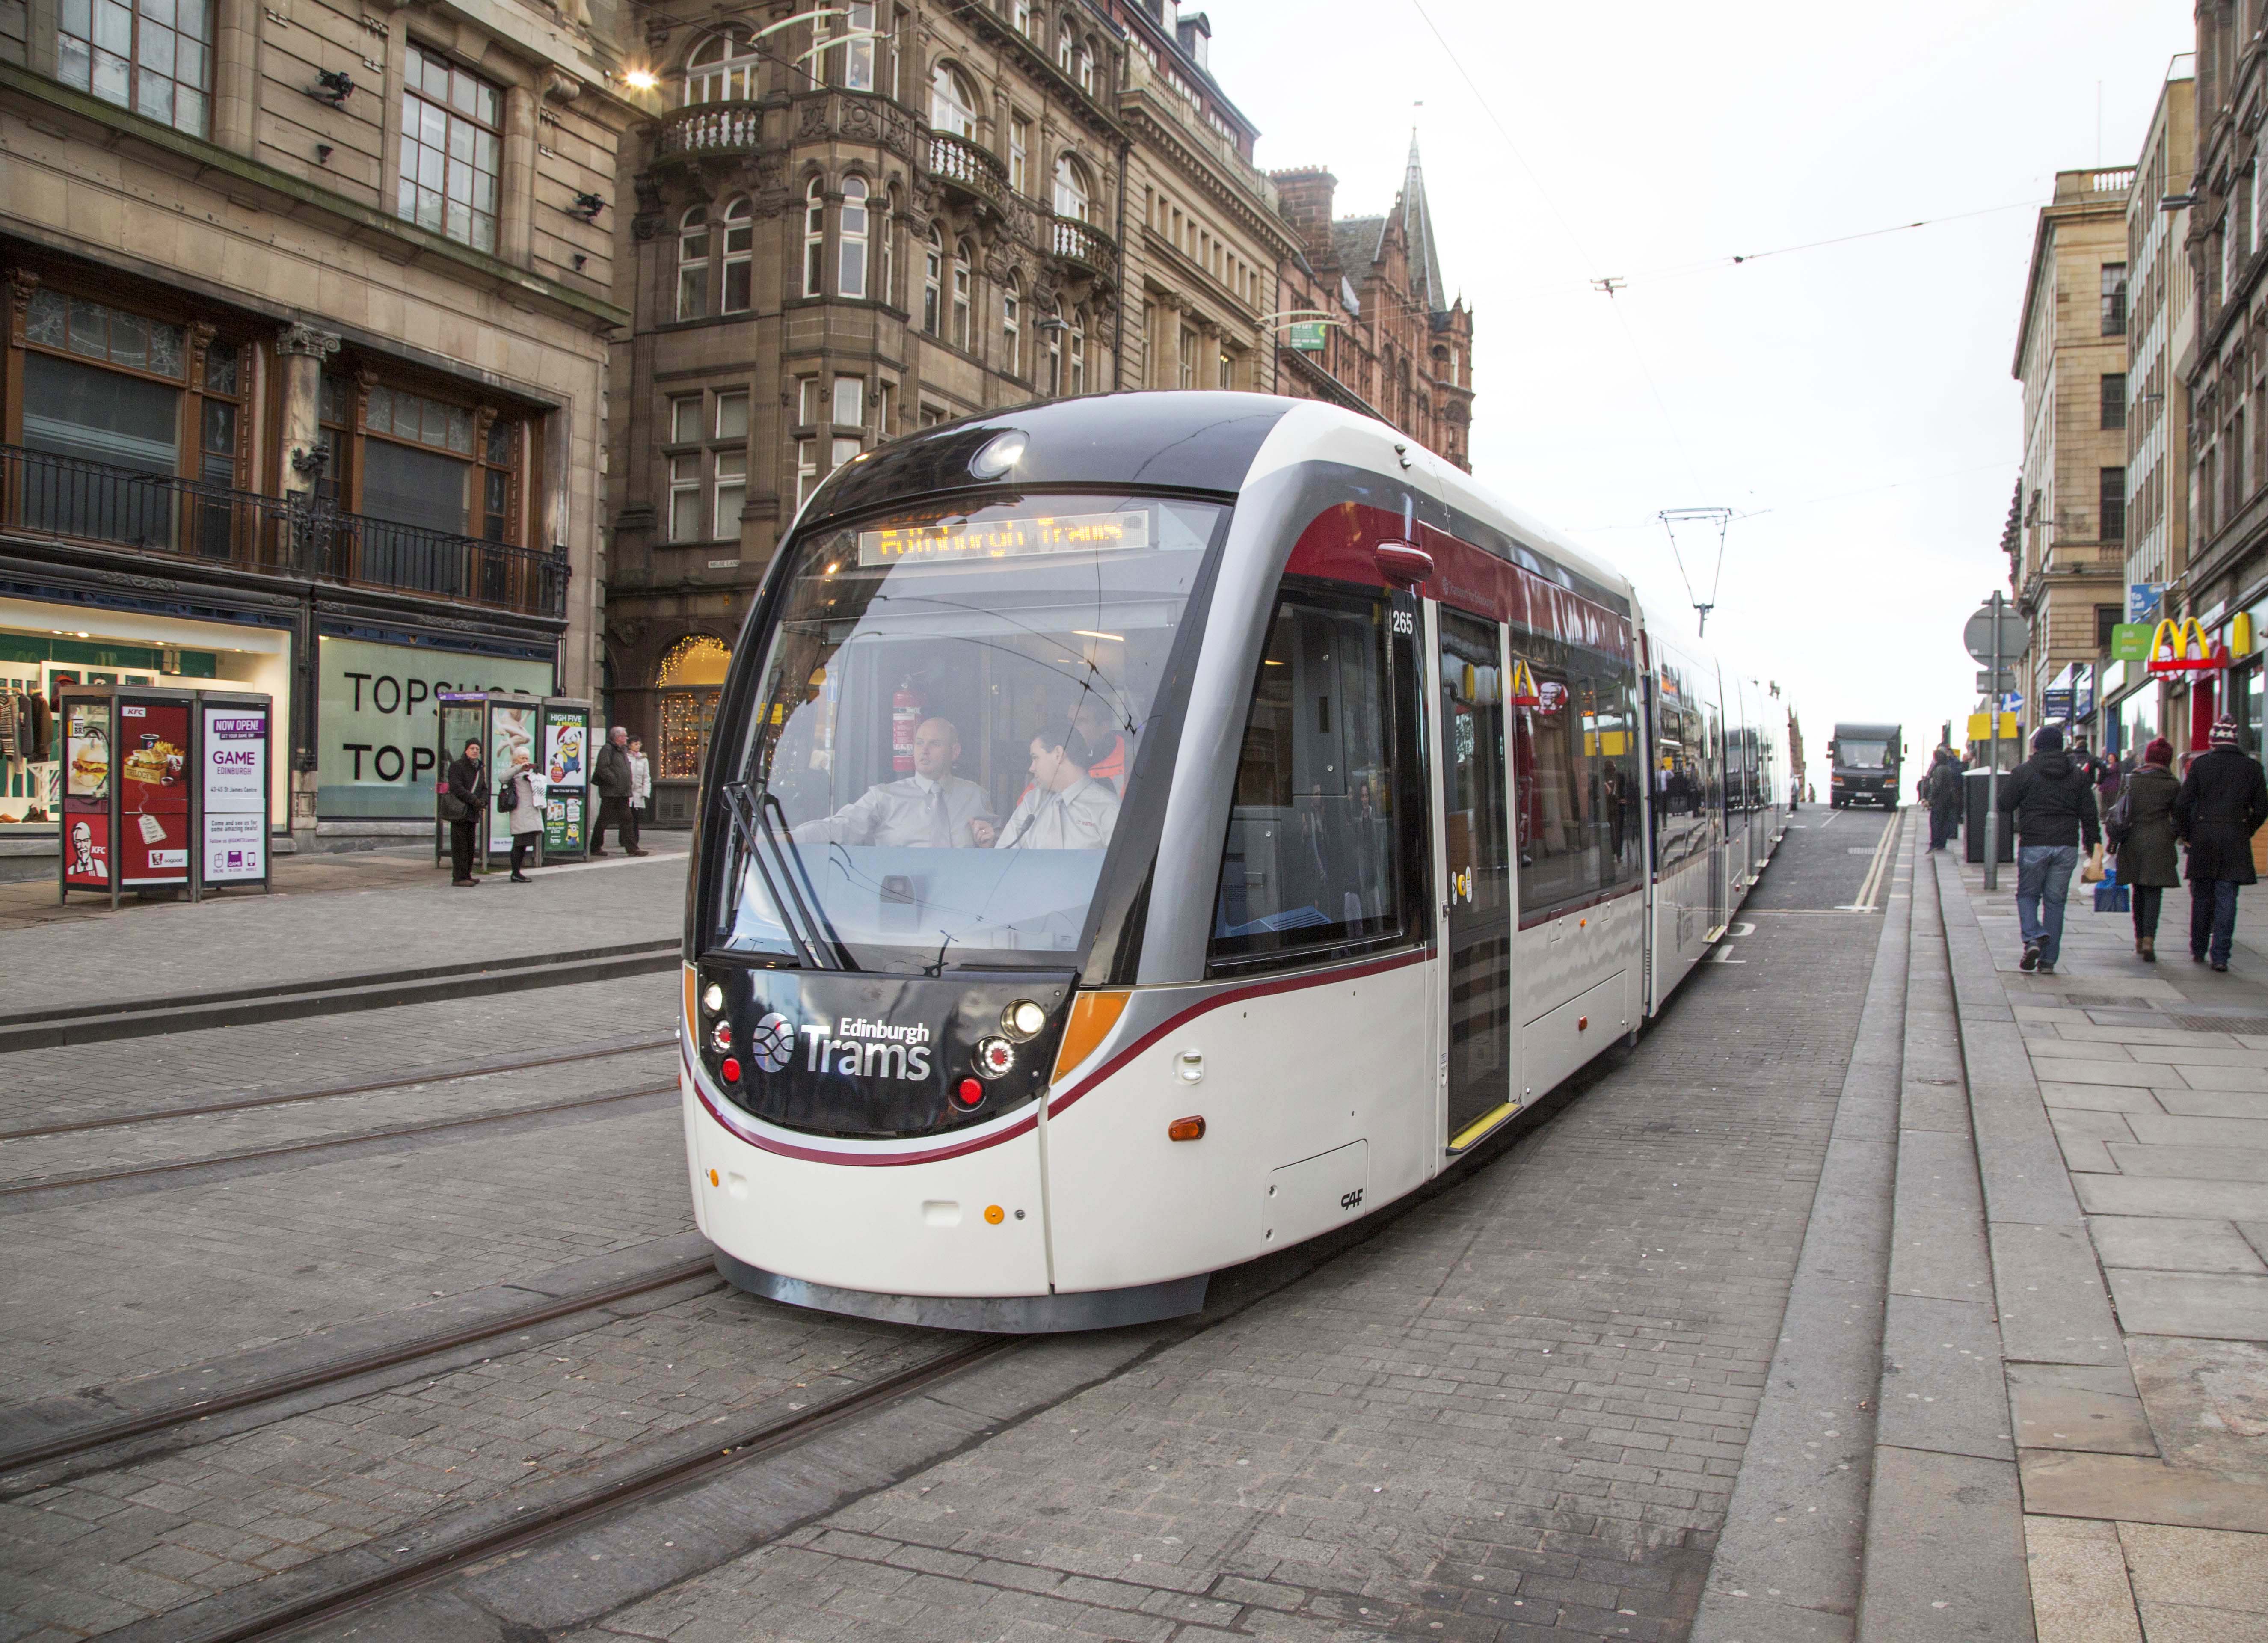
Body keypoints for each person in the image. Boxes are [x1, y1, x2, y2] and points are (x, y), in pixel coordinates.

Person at [795, 717, 996, 846]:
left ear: (955, 752)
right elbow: (842, 827)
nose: (924, 751)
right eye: (919, 743)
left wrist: (990, 843)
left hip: (963, 900)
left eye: (935, 744)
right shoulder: (884, 797)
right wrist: (791, 839)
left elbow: (1002, 846)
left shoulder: (976, 796)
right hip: (902, 899)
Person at [1998, 723, 2099, 976]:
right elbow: (2089, 814)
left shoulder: (2024, 772)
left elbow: (2004, 804)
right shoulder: (2078, 776)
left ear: (2037, 747)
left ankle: (2032, 938)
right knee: (2056, 902)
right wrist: (2093, 844)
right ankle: (2048, 961)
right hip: (2066, 845)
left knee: (2027, 895)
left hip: (2034, 842)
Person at [2173, 717, 2268, 971]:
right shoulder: (2252, 768)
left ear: (2213, 742)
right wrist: (2245, 830)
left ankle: (2198, 947)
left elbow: (2182, 805)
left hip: (2203, 837)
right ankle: (2221, 956)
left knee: (2202, 895)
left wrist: (2188, 834)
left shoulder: (2201, 766)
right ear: (2235, 741)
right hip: (2235, 836)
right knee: (2227, 897)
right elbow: (2262, 809)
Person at [980, 725, 1119, 850]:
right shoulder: (1032, 802)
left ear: (1058, 754)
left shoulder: (1109, 808)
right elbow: (1005, 856)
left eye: (1036, 758)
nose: (1031, 768)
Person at [2111, 737, 2180, 962]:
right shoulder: (2173, 784)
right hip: (2160, 841)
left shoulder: (2131, 781)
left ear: (2148, 757)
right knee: (2154, 892)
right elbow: (2180, 817)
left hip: (2133, 840)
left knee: (2138, 890)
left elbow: (2120, 812)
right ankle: (2150, 937)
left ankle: (2139, 938)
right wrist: (2173, 835)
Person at [591, 726, 644, 857]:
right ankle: (595, 846)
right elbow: (602, 769)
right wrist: (614, 780)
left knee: (627, 819)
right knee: (604, 819)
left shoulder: (622, 750)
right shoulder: (608, 749)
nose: (626, 738)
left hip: (622, 792)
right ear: (617, 738)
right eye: (624, 736)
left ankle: (632, 848)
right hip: (611, 792)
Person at [445, 737, 486, 887]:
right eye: (472, 749)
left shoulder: (479, 767)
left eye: (478, 749)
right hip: (460, 812)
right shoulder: (457, 766)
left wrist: (483, 800)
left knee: (470, 845)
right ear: (466, 750)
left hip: (472, 812)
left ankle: (467, 874)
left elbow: (483, 787)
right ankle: (459, 877)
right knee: (460, 845)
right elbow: (456, 788)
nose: (475, 751)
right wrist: (474, 799)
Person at [503, 753, 546, 883]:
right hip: (521, 813)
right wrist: (519, 768)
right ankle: (515, 873)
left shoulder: (530, 774)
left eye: (527, 758)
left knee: (523, 844)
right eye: (522, 759)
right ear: (516, 760)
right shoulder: (514, 772)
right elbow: (502, 778)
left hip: (530, 812)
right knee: (519, 843)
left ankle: (517, 872)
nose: (526, 761)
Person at [1924, 745, 1963, 852]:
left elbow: (1936, 786)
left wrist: (1930, 800)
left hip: (1938, 801)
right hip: (1948, 800)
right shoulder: (1948, 769)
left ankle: (1935, 843)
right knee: (1944, 822)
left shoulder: (1939, 770)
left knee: (1935, 822)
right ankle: (1942, 843)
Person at [628, 736, 652, 840]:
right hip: (628, 792)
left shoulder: (644, 760)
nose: (638, 746)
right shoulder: (626, 757)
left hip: (638, 792)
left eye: (639, 744)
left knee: (636, 818)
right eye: (635, 744)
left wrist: (646, 792)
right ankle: (625, 839)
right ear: (630, 745)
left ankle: (635, 839)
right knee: (627, 818)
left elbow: (646, 777)